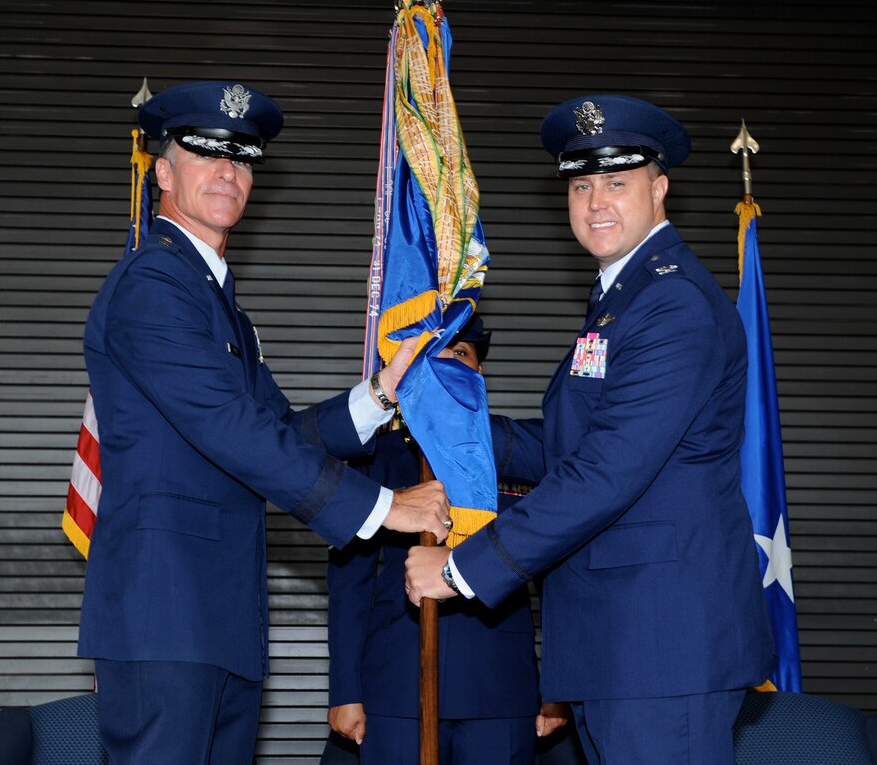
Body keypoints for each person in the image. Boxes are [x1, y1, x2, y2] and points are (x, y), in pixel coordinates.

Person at [77, 80, 450, 765]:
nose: (227, 171)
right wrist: (381, 506)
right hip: (165, 617)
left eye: (242, 158)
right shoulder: (154, 284)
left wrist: (377, 396)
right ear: (162, 172)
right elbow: (229, 429)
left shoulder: (216, 301)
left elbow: (279, 431)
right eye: (206, 153)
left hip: (216, 617)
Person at [405, 94, 776, 765]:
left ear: (658, 190)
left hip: (659, 647)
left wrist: (462, 569)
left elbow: (607, 469)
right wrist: (450, 423)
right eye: (581, 184)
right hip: (623, 645)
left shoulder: (670, 303)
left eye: (616, 182)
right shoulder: (621, 297)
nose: (596, 201)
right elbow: (570, 445)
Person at [321, 314, 585, 765]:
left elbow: (560, 577)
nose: (446, 363)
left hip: (501, 690)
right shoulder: (375, 458)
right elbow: (350, 582)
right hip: (398, 691)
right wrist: (346, 691)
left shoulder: (517, 452)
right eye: (432, 353)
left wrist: (558, 686)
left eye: (460, 353)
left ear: (479, 372)